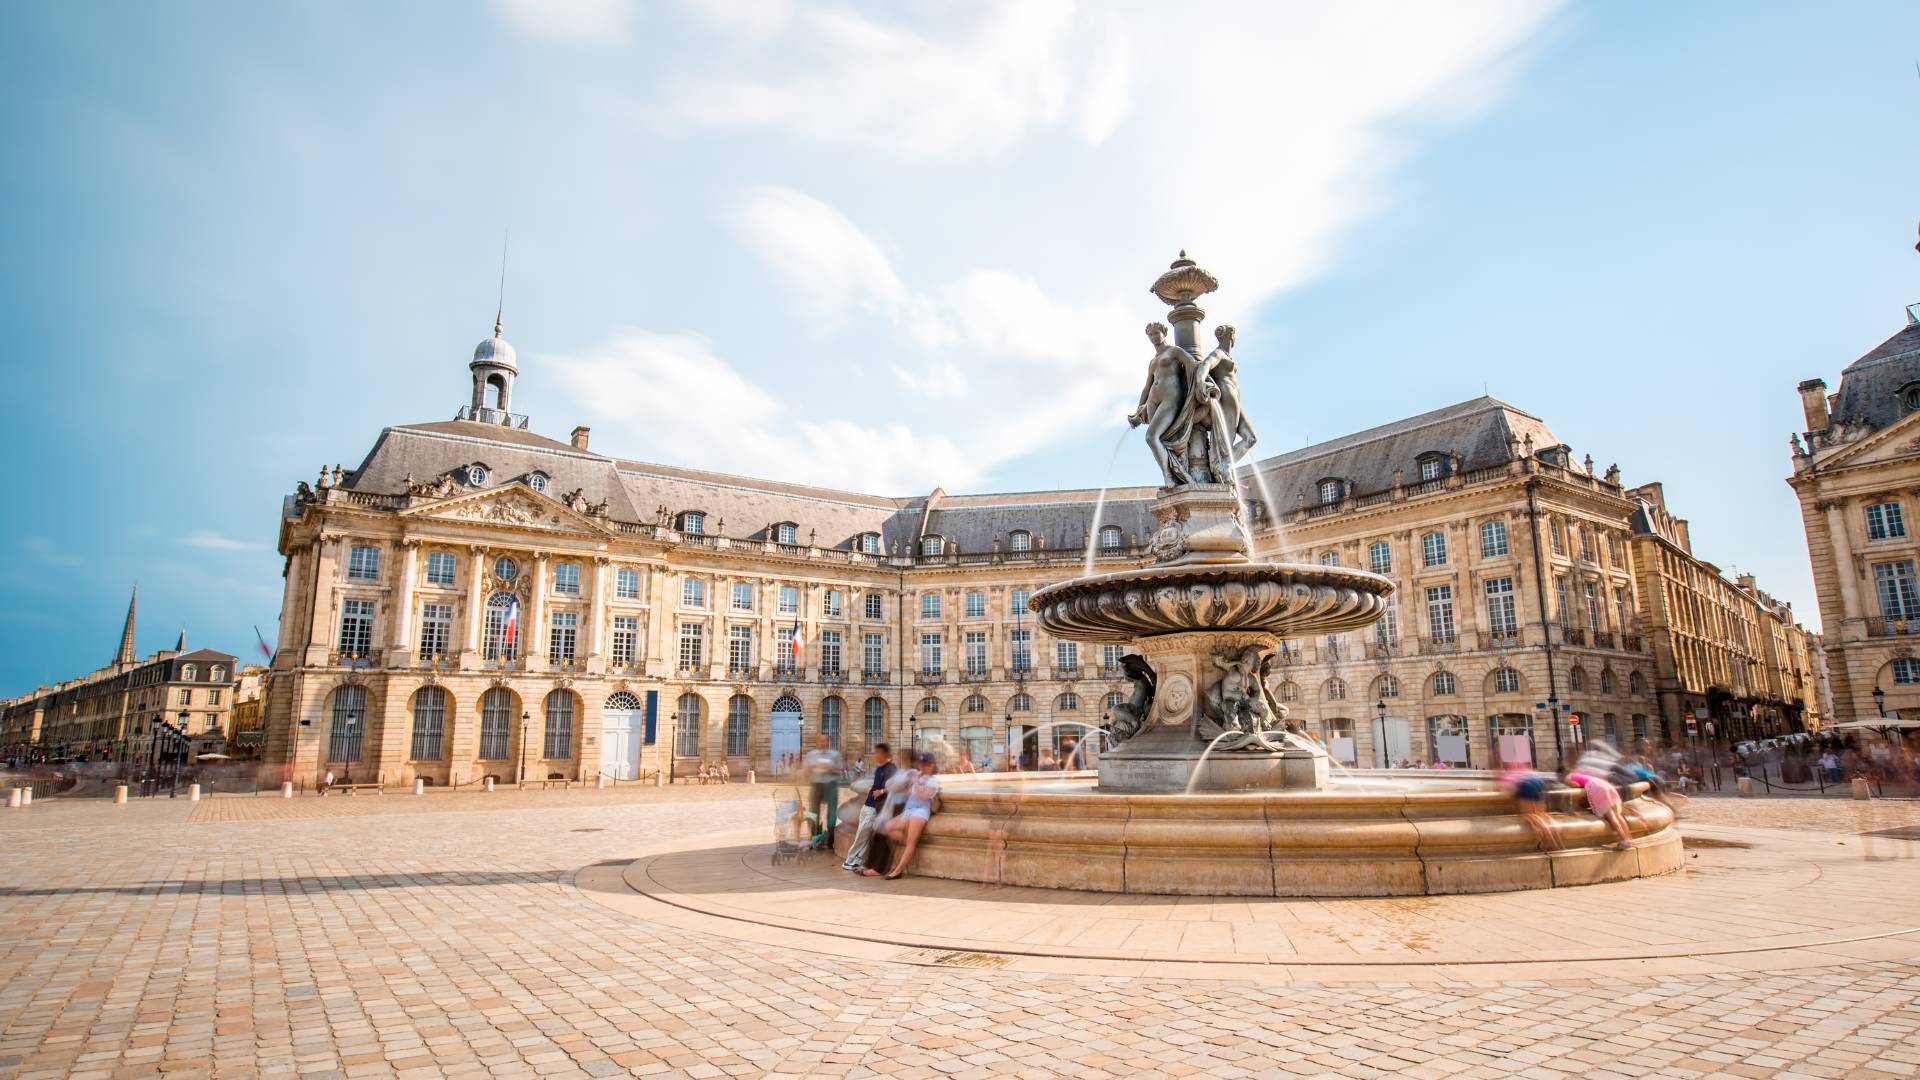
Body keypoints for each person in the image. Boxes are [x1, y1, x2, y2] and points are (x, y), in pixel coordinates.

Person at [880, 753, 942, 879]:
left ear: (931, 766)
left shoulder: (933, 781)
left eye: (925, 765)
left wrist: (916, 783)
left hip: (920, 811)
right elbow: (908, 793)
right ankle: (911, 848)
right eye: (921, 765)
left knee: (910, 841)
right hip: (909, 810)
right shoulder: (919, 777)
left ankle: (897, 871)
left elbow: (922, 797)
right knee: (888, 828)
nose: (922, 768)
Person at [843, 743, 896, 874]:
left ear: (885, 754)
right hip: (868, 805)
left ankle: (852, 860)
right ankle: (855, 859)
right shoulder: (880, 768)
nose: (874, 755)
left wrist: (882, 791)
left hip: (874, 807)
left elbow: (895, 785)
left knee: (863, 833)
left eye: (877, 753)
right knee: (862, 833)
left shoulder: (891, 768)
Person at [1565, 768, 1634, 850]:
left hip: (1597, 788)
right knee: (1617, 815)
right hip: (1605, 785)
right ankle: (1629, 838)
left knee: (1611, 816)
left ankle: (1624, 839)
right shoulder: (1579, 773)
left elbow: (1577, 785)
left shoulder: (1567, 778)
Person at [1499, 759, 1560, 851]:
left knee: (1530, 815)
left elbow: (1503, 788)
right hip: (1538, 781)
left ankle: (1551, 842)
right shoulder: (1522, 766)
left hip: (1526, 785)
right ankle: (1559, 841)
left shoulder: (1507, 773)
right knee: (1542, 815)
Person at [801, 735, 845, 852]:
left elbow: (840, 772)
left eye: (825, 741)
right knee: (813, 812)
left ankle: (830, 840)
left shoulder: (835, 755)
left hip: (830, 785)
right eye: (821, 741)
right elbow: (805, 771)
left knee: (831, 813)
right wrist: (811, 768)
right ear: (817, 742)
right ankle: (814, 838)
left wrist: (830, 769)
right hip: (816, 785)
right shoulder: (812, 755)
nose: (823, 743)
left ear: (828, 742)